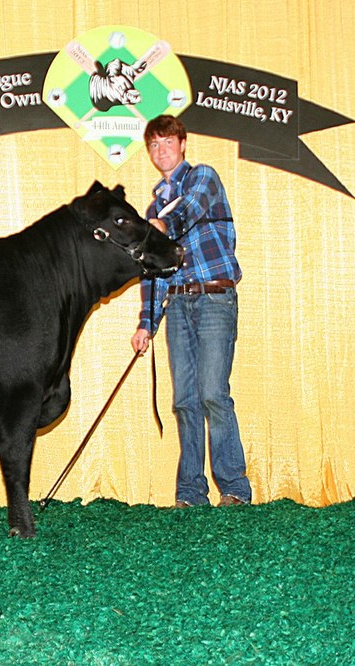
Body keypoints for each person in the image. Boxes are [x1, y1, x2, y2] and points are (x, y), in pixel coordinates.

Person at [130, 115, 252, 508]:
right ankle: (190, 494)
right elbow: (155, 272)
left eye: (167, 142)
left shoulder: (203, 177)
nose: (160, 150)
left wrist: (157, 227)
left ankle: (234, 488)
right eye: (153, 145)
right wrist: (146, 323)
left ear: (183, 143)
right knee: (184, 399)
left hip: (215, 296)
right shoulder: (155, 205)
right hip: (178, 302)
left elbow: (189, 212)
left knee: (213, 393)